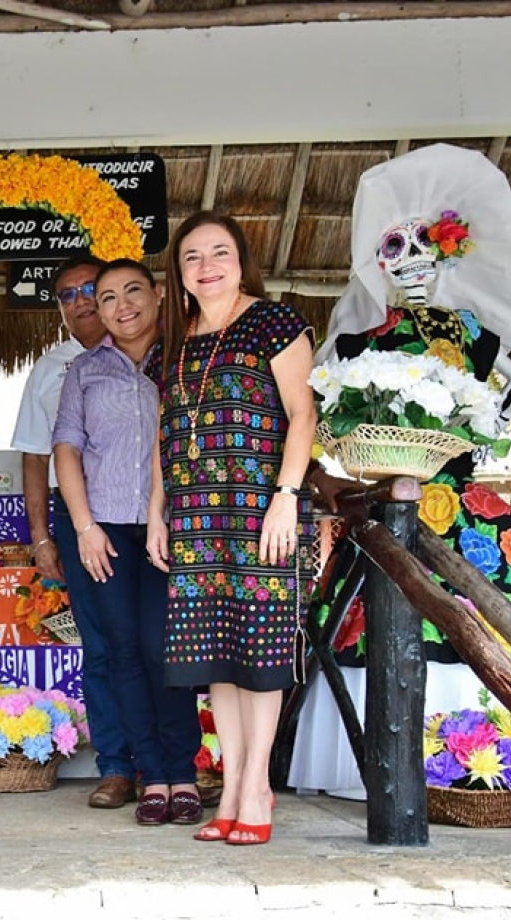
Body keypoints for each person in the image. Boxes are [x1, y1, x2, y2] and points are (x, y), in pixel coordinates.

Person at [290, 143, 511, 799]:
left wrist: (494, 406)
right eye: (397, 250)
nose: (414, 263)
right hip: (380, 502)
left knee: (492, 605)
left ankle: (487, 762)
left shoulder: (471, 333)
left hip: (458, 502)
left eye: (428, 248)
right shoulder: (360, 339)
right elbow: (312, 409)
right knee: (372, 610)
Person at [146, 211, 316, 847]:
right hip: (195, 515)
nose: (207, 265)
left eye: (220, 252)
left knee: (260, 650)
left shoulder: (275, 322)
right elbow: (166, 433)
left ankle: (255, 785)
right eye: (192, 256)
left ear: (241, 259)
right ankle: (235, 776)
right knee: (215, 653)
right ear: (178, 273)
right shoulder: (174, 339)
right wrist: (157, 508)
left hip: (258, 511)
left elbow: (303, 415)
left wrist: (287, 497)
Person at [53, 259, 202, 826]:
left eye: (132, 291)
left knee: (165, 649)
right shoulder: (84, 372)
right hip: (108, 529)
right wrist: (85, 526)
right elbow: (66, 449)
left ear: (158, 295)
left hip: (175, 528)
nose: (121, 305)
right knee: (122, 653)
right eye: (107, 296)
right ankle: (152, 777)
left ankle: (182, 771)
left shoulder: (188, 360)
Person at [10, 256, 135, 809]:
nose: (82, 301)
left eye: (92, 289)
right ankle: (115, 766)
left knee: (159, 642)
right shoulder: (52, 368)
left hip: (147, 515)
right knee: (102, 645)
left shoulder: (153, 352)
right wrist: (43, 537)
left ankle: (174, 764)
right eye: (67, 295)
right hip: (79, 521)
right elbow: (36, 458)